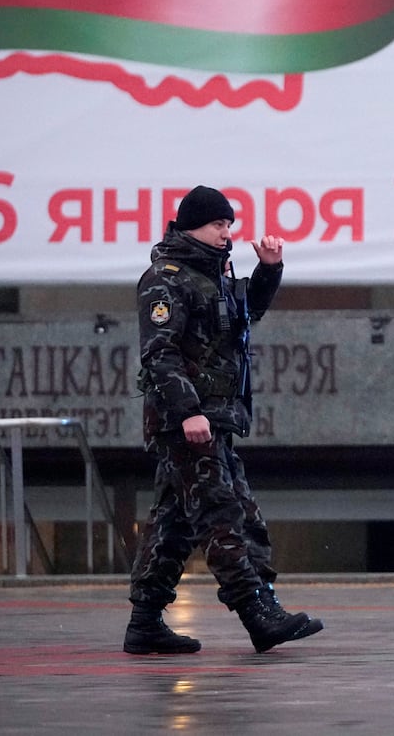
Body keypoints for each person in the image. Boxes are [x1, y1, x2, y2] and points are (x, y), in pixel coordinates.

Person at [122, 185, 325, 655]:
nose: (226, 233)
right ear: (192, 225)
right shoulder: (165, 278)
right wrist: (189, 411)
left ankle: (144, 622)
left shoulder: (215, 275)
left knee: (174, 523)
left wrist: (269, 271)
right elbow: (159, 354)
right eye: (218, 225)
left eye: (229, 225)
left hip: (215, 419)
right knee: (225, 514)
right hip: (189, 422)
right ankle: (258, 613)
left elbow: (243, 317)